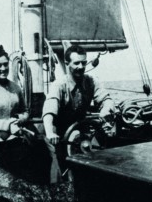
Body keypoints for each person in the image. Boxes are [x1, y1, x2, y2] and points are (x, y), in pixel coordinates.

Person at [0, 44, 51, 183]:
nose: (3, 69)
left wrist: (19, 119)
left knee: (43, 155)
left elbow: (26, 111)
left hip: (16, 137)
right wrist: (7, 125)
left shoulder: (15, 87)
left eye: (5, 64)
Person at [42, 45, 115, 182]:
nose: (80, 67)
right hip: (60, 136)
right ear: (67, 63)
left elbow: (107, 99)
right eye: (76, 63)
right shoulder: (59, 85)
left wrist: (106, 111)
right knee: (61, 173)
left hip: (82, 134)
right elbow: (49, 110)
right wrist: (50, 133)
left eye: (83, 62)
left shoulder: (91, 81)